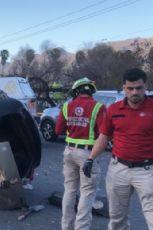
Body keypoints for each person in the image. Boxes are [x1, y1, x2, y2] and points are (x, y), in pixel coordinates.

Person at [83, 68, 153, 230]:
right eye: (130, 88)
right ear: (124, 88)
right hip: (118, 170)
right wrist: (90, 159)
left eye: (139, 88)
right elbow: (103, 137)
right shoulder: (113, 110)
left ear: (145, 87)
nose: (134, 92)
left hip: (147, 171)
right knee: (116, 220)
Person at [55, 77, 106, 230]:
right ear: (91, 91)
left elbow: (58, 131)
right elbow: (104, 133)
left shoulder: (66, 106)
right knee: (87, 192)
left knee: (69, 190)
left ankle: (66, 226)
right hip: (88, 154)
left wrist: (74, 127)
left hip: (69, 151)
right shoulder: (98, 107)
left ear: (77, 91)